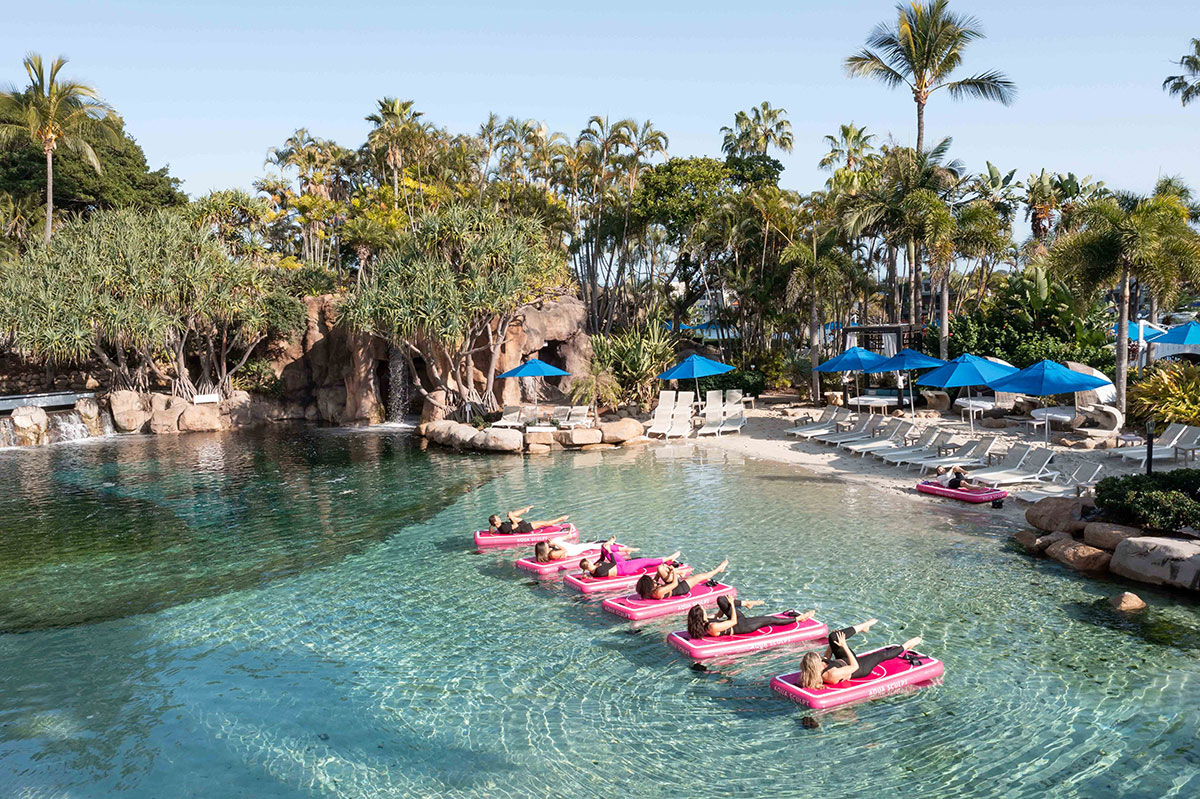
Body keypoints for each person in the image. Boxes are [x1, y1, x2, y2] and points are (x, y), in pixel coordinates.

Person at [797, 619, 924, 689]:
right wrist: (844, 646)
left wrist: (834, 644)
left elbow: (827, 657)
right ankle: (907, 645)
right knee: (881, 655)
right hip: (859, 668)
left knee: (833, 636)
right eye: (819, 660)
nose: (822, 660)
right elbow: (854, 667)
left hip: (842, 660)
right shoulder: (831, 674)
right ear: (815, 666)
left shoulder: (814, 669)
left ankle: (863, 626)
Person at [686, 596, 814, 639]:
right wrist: (731, 605)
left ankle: (746, 603)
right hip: (742, 626)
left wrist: (726, 606)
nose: (705, 609)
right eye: (703, 610)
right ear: (700, 615)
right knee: (769, 620)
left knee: (721, 599)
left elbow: (718, 615)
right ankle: (799, 618)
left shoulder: (705, 621)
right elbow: (733, 621)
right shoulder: (712, 627)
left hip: (736, 621)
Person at [577, 538, 679, 578]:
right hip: (624, 568)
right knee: (645, 561)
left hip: (620, 564)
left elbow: (602, 559)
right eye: (590, 562)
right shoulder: (599, 570)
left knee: (603, 547)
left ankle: (625, 549)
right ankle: (669, 558)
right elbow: (613, 563)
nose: (592, 561)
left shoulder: (592, 570)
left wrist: (604, 550)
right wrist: (609, 551)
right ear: (589, 565)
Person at [635, 559, 728, 600]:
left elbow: (656, 577)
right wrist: (674, 572)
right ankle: (719, 569)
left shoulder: (649, 589)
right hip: (679, 588)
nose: (653, 580)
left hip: (669, 585)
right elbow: (675, 584)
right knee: (699, 576)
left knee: (660, 568)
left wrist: (662, 572)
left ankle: (680, 573)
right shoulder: (658, 592)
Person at [487, 505, 568, 535]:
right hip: (524, 529)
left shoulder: (500, 525)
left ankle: (524, 510)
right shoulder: (503, 528)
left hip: (520, 525)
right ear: (495, 522)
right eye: (497, 518)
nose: (499, 518)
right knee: (543, 523)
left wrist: (511, 516)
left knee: (509, 515)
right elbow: (515, 525)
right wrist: (512, 518)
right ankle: (560, 519)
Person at [534, 537, 607, 564]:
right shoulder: (552, 554)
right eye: (546, 545)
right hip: (571, 551)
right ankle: (606, 545)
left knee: (584, 545)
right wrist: (555, 544)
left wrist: (552, 544)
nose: (547, 545)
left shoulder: (546, 553)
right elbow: (564, 550)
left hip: (569, 549)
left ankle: (569, 535)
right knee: (587, 546)